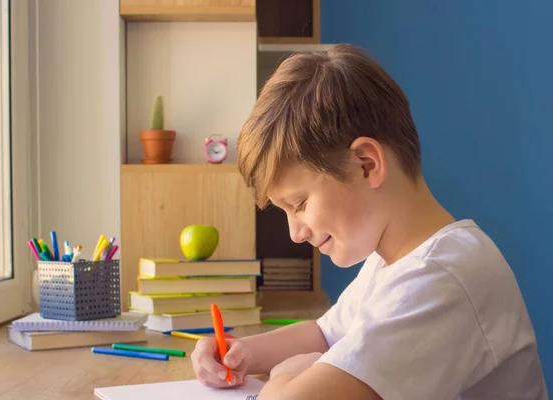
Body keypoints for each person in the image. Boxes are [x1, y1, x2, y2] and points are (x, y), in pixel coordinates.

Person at [190, 43, 549, 400]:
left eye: (299, 203)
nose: (295, 233)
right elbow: (324, 334)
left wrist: (285, 377)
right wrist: (242, 353)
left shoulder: (442, 279)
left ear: (366, 164)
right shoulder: (391, 261)